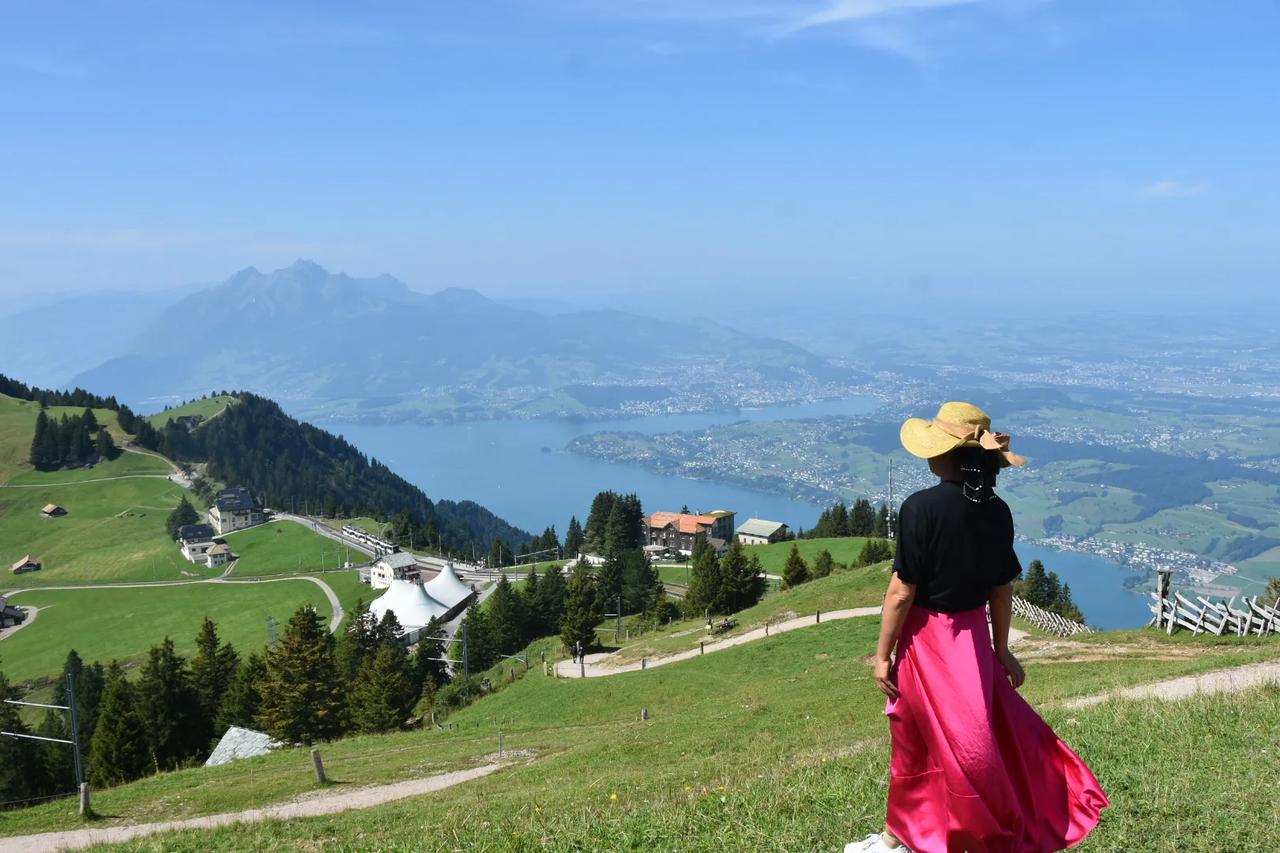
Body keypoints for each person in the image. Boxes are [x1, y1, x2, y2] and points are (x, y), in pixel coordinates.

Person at [845, 402, 1108, 853]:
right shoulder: (998, 512)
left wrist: (882, 654)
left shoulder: (920, 509)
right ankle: (915, 828)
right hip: (970, 639)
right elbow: (1000, 589)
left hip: (926, 639)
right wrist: (1000, 649)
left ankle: (905, 834)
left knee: (914, 735)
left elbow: (901, 592)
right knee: (979, 737)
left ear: (945, 454)